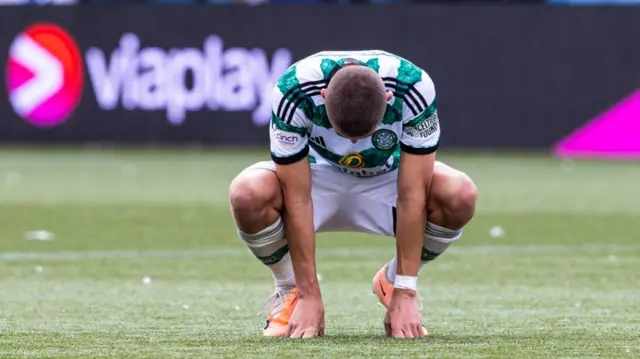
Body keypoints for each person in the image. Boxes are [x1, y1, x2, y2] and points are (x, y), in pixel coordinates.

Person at [228, 50, 478, 339]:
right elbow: (297, 197)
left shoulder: (413, 87)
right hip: (318, 176)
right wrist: (310, 293)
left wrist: (406, 289)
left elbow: (412, 195)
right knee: (247, 193)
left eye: (364, 134)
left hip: (387, 178)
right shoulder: (293, 90)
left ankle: (392, 282)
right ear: (322, 95)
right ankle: (290, 289)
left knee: (460, 194)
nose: (355, 143)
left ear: (387, 97)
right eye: (342, 134)